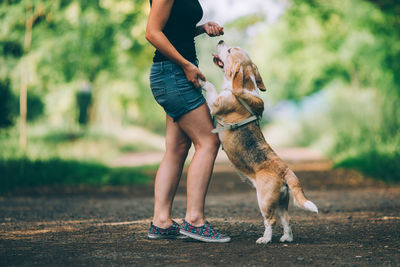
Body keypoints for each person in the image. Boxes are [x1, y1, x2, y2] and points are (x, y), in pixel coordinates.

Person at [145, 0, 230, 242]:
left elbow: (173, 28)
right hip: (173, 73)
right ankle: (194, 220)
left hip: (172, 73)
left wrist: (202, 28)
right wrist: (185, 65)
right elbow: (152, 32)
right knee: (209, 142)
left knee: (177, 148)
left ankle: (161, 221)